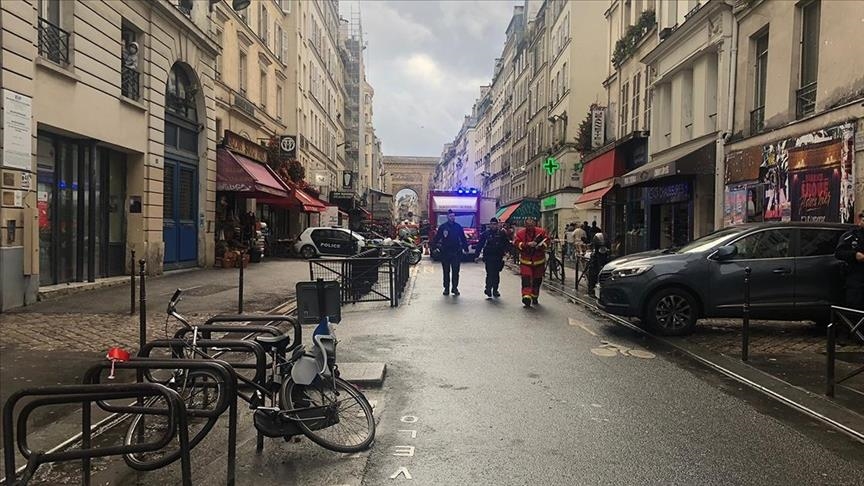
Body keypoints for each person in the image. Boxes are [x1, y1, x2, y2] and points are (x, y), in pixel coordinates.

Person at [514, 217, 549, 308]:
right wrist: (526, 245)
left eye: (532, 225)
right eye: (528, 225)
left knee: (537, 280)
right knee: (526, 279)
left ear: (534, 224)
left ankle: (534, 296)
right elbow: (517, 243)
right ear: (525, 225)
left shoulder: (541, 232)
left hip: (539, 261)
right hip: (526, 261)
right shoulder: (520, 233)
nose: (530, 227)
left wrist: (540, 246)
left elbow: (547, 241)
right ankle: (526, 296)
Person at [432, 209, 468, 296]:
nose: (452, 217)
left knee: (455, 272)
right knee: (446, 272)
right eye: (451, 216)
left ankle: (455, 288)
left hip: (456, 252)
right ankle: (446, 288)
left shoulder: (458, 227)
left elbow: (463, 238)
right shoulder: (443, 227)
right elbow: (437, 238)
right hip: (445, 253)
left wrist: (465, 248)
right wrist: (434, 247)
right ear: (447, 217)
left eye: (453, 216)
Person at [835, 210, 864, 310]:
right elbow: (839, 253)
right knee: (855, 307)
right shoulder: (851, 236)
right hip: (856, 278)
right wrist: (854, 255)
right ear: (859, 220)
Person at [476, 217, 511, 298]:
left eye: (495, 224)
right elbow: (480, 244)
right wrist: (476, 255)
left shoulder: (501, 233)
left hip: (498, 257)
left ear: (497, 225)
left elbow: (506, 243)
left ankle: (495, 290)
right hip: (488, 257)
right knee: (489, 273)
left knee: (496, 274)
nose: (493, 226)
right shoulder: (486, 233)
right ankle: (488, 288)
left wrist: (508, 252)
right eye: (491, 224)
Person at [587, 227, 610, 295]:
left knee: (593, 273)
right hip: (602, 259)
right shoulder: (603, 239)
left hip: (597, 260)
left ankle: (591, 290)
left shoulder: (597, 238)